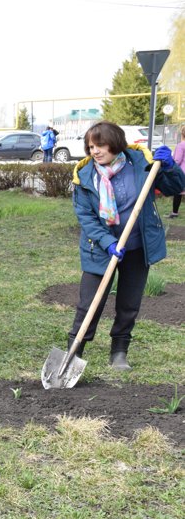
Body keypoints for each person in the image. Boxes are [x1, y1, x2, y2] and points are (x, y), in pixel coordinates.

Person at [65, 121, 185, 370]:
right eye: (90, 146)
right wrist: (108, 243)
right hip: (99, 248)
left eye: (100, 145)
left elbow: (175, 187)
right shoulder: (85, 175)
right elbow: (86, 218)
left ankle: (119, 351)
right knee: (90, 303)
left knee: (129, 304)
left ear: (115, 142)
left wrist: (171, 167)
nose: (95, 151)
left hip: (137, 246)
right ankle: (74, 352)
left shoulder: (141, 163)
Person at [170, 124, 185, 218]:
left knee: (178, 192)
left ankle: (174, 213)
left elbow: (177, 161)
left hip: (182, 173)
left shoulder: (181, 145)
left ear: (182, 134)